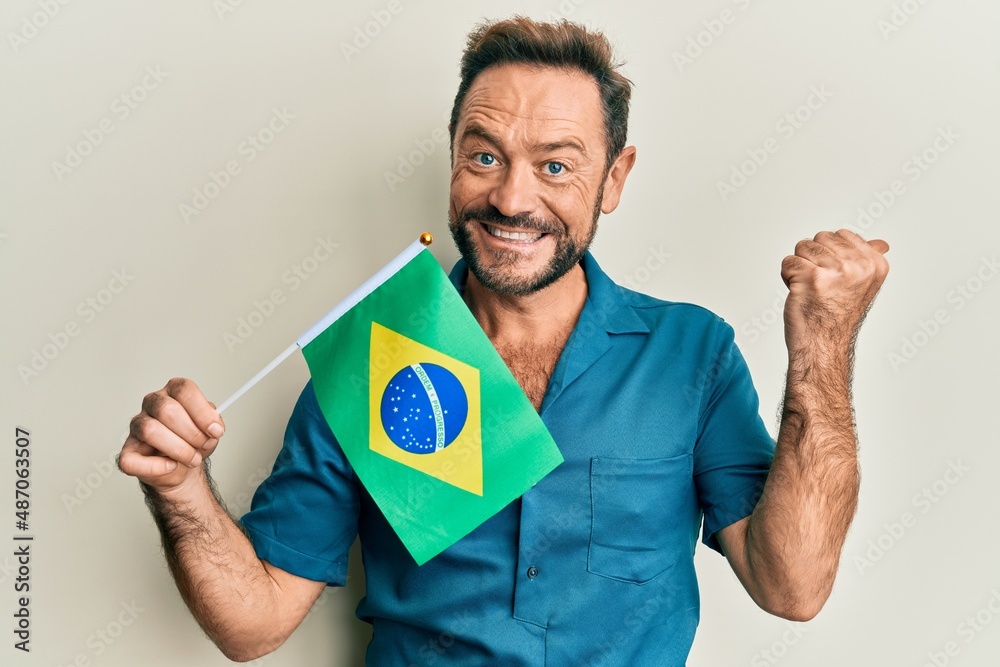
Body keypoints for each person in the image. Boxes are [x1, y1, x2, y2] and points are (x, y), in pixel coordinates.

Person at [118, 17, 889, 666]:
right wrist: (181, 488)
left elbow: (793, 585)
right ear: (453, 152)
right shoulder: (378, 353)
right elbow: (253, 622)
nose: (512, 198)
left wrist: (825, 345)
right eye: (484, 155)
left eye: (556, 166)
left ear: (614, 180)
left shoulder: (693, 354)